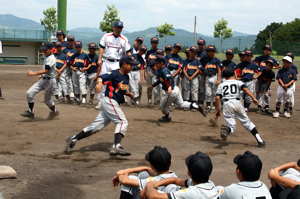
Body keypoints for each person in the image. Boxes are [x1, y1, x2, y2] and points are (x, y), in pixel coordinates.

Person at [65, 55, 137, 155]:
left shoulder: (126, 77)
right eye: (131, 65)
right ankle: (116, 146)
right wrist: (99, 84)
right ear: (124, 64)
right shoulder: (114, 73)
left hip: (110, 103)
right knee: (122, 122)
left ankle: (72, 139)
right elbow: (101, 78)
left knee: (95, 127)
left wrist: (129, 94)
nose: (133, 67)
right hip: (110, 101)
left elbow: (121, 90)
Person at [215, 67, 266, 147]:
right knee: (247, 123)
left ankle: (228, 130)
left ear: (224, 77)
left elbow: (217, 98)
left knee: (230, 124)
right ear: (234, 74)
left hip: (227, 104)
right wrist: (253, 98)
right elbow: (245, 89)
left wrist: (217, 110)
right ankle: (260, 141)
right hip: (238, 103)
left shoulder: (221, 85)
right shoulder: (238, 82)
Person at [148, 55, 206, 122]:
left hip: (172, 91)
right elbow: (160, 80)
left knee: (162, 106)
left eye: (156, 63)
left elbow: (169, 78)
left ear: (161, 63)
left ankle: (167, 117)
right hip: (175, 89)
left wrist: (169, 86)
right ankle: (197, 107)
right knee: (181, 104)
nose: (155, 65)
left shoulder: (164, 71)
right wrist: (152, 85)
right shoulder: (161, 70)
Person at [141, 151, 219, 199]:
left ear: (188, 172)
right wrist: (156, 184)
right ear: (210, 173)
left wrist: (150, 184)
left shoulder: (190, 193)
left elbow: (153, 196)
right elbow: (175, 180)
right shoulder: (210, 184)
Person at [112, 146, 180, 199]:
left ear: (151, 166)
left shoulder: (153, 181)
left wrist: (120, 174)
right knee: (143, 174)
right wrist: (128, 170)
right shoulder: (172, 175)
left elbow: (125, 180)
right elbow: (147, 169)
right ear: (170, 163)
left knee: (131, 178)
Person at [95, 21, 131, 110]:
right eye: (117, 27)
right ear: (113, 27)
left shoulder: (124, 39)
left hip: (117, 62)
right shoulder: (106, 36)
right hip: (106, 61)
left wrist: (129, 61)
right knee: (103, 81)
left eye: (120, 28)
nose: (119, 29)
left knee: (116, 81)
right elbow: (101, 47)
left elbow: (128, 52)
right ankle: (100, 101)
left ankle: (114, 101)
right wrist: (99, 59)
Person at [20, 41, 59, 120]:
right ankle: (31, 112)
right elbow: (48, 71)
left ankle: (55, 111)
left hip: (50, 82)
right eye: (43, 50)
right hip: (43, 80)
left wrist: (33, 74)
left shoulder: (51, 58)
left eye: (46, 50)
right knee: (29, 93)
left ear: (51, 49)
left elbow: (46, 70)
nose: (44, 51)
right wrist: (42, 75)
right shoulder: (47, 57)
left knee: (47, 101)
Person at [69, 41, 92, 107]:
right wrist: (72, 69)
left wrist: (86, 68)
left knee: (82, 85)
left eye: (79, 47)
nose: (78, 48)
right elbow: (70, 64)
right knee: (76, 85)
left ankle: (84, 99)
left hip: (82, 71)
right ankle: (77, 99)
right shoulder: (74, 56)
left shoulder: (85, 55)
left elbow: (90, 63)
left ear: (81, 47)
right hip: (75, 71)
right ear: (75, 47)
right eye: (76, 47)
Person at [201, 45, 222, 111]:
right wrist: (203, 79)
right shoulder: (206, 60)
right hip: (207, 77)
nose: (210, 53)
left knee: (214, 92)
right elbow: (204, 70)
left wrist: (218, 79)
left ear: (214, 52)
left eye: (211, 52)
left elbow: (219, 70)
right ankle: (208, 105)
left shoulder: (217, 60)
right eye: (209, 51)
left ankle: (214, 106)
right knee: (208, 92)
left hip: (214, 76)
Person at [145, 37, 159, 106]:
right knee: (149, 85)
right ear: (151, 43)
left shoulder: (159, 52)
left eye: (155, 43)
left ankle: (156, 101)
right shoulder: (149, 52)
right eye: (153, 43)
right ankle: (149, 100)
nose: (154, 44)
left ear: (157, 43)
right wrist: (145, 72)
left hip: (156, 70)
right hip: (149, 69)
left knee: (156, 86)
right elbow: (146, 63)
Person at [130, 37, 145, 104]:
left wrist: (141, 78)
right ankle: (134, 99)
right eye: (137, 42)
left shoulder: (142, 58)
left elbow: (141, 68)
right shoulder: (130, 52)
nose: (138, 43)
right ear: (134, 41)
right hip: (130, 71)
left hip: (137, 72)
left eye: (140, 42)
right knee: (131, 86)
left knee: (137, 86)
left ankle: (136, 99)